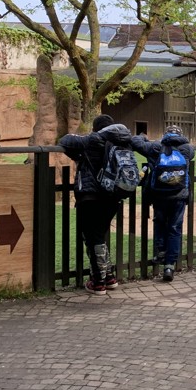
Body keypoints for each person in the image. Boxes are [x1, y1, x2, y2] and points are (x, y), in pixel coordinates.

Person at [59, 114, 133, 295]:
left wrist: (88, 137)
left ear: (96, 128)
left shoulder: (93, 140)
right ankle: (109, 277)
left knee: (93, 238)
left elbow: (65, 141)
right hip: (112, 197)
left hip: (91, 197)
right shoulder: (122, 142)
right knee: (99, 236)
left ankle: (98, 282)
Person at [134, 124, 195, 282]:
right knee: (175, 228)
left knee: (160, 223)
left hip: (159, 195)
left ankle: (160, 251)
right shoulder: (187, 149)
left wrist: (142, 137)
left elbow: (135, 142)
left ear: (165, 135)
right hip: (179, 195)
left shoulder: (155, 147)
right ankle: (169, 265)